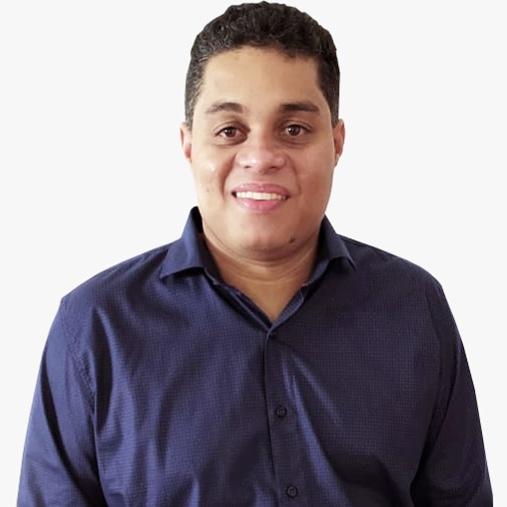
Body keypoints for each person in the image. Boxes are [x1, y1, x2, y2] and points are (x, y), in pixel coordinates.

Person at [17, 2, 492, 505]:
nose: (261, 157)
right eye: (230, 131)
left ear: (336, 143)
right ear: (188, 144)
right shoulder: (95, 326)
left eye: (293, 129)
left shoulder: (414, 307)